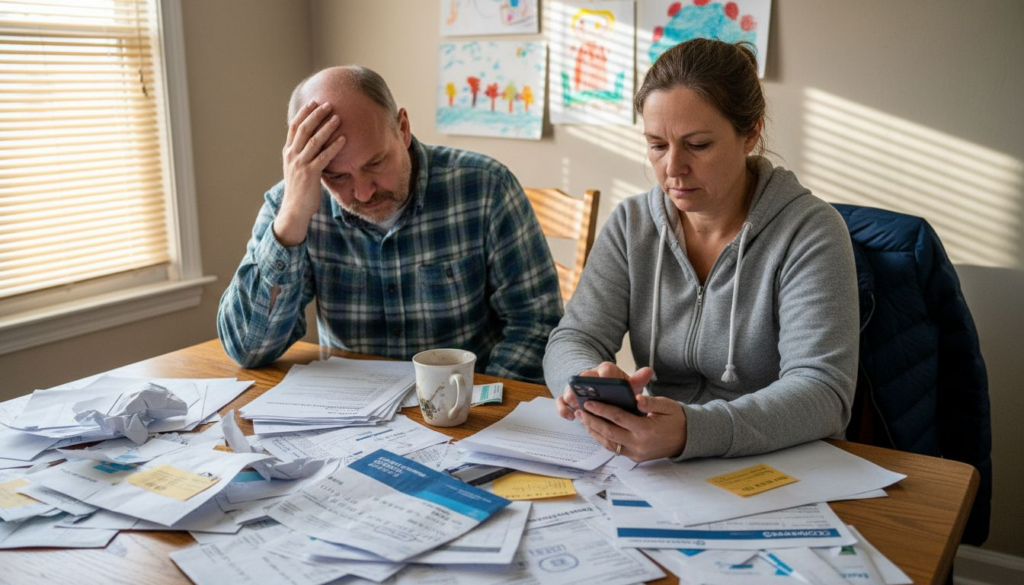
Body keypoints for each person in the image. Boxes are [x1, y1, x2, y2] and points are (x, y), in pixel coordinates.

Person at [544, 39, 859, 462]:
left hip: (775, 462)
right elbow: (574, 336)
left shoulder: (810, 232)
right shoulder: (632, 223)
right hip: (659, 458)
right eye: (657, 145)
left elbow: (823, 393)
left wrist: (693, 431)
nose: (672, 168)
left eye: (697, 145)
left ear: (750, 133)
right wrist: (582, 378)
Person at [218, 65, 562, 383]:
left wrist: (482, 404)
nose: (364, 194)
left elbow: (535, 324)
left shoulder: (486, 187)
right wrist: (292, 220)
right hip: (350, 416)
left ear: (403, 128)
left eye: (376, 163)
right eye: (337, 176)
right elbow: (248, 350)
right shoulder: (290, 204)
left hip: (464, 408)